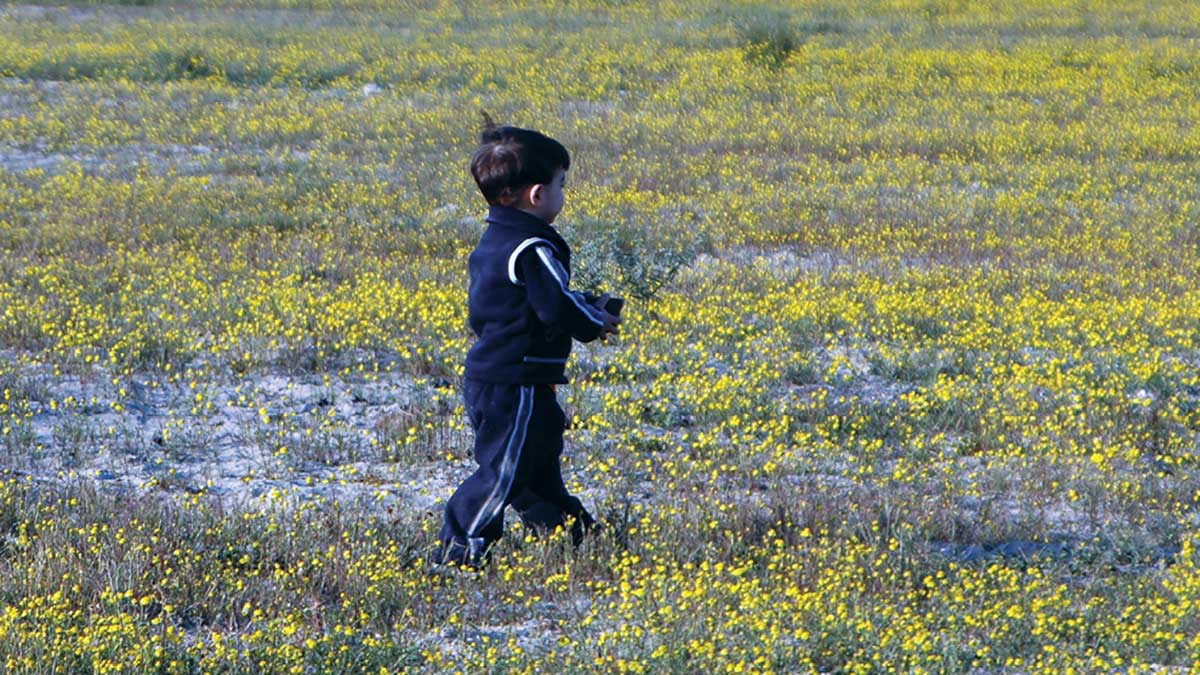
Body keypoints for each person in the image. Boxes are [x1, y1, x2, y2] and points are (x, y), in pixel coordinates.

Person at [433, 115, 622, 569]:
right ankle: (458, 551)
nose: (562, 195)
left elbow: (532, 301)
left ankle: (575, 537)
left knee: (536, 469)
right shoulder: (532, 247)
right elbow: (555, 307)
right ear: (537, 194)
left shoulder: (497, 239)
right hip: (512, 381)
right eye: (561, 185)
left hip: (512, 378)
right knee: (501, 472)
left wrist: (585, 302)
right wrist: (593, 323)